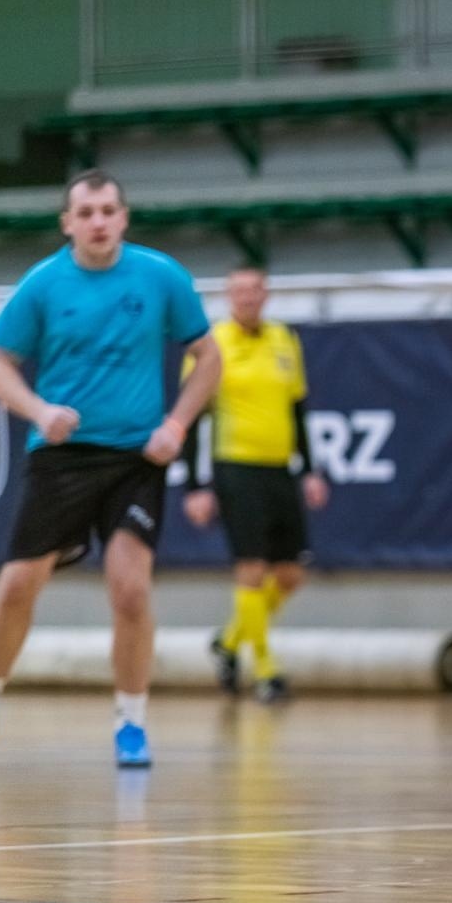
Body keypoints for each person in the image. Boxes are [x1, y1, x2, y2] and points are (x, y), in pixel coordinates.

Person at [0, 169, 220, 768]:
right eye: (86, 213)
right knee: (17, 585)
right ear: (67, 223)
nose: (98, 222)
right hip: (62, 458)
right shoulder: (43, 284)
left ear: (124, 217)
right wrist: (39, 410)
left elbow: (208, 357)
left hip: (135, 460)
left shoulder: (161, 276)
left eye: (107, 211)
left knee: (130, 590)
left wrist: (177, 425)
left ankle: (131, 723)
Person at [180, 267, 328, 704]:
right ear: (228, 297)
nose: (247, 298)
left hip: (279, 467)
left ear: (265, 294)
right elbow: (191, 417)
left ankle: (229, 642)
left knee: (289, 573)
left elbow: (297, 407)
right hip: (235, 467)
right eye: (239, 291)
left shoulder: (284, 339)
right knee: (251, 567)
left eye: (255, 289)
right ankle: (265, 669)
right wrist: (195, 485)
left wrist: (309, 469)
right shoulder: (211, 345)